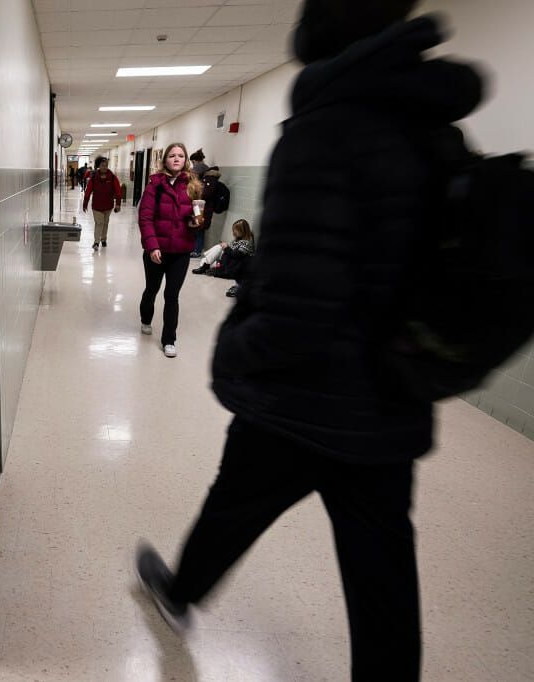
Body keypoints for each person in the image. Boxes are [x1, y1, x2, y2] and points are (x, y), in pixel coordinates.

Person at [135, 2, 483, 680]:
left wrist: (235, 355)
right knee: (383, 573)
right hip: (392, 398)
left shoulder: (323, 132)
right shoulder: (436, 131)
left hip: (298, 399)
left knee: (233, 505)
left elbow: (299, 299)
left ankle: (179, 595)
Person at [137, 142, 203, 358]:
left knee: (172, 295)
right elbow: (145, 219)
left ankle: (169, 340)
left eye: (181, 156)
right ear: (164, 159)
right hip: (157, 251)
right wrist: (152, 246)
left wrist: (197, 224)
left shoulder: (193, 186)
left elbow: (199, 218)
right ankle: (146, 319)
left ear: (185, 160)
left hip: (181, 251)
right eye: (172, 155)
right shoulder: (153, 186)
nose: (177, 159)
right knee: (152, 290)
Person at [82, 156, 122, 249]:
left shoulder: (112, 177)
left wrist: (118, 204)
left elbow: (118, 191)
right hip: (97, 205)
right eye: (102, 165)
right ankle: (96, 242)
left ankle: (103, 239)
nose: (104, 167)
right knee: (99, 222)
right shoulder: (94, 177)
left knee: (105, 223)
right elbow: (88, 191)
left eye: (106, 165)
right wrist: (85, 203)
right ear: (99, 166)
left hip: (108, 205)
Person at [193, 165, 223, 257]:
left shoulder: (210, 181)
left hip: (204, 209)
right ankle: (195, 249)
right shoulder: (207, 180)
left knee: (200, 230)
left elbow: (205, 194)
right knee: (197, 230)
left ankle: (197, 251)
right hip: (201, 208)